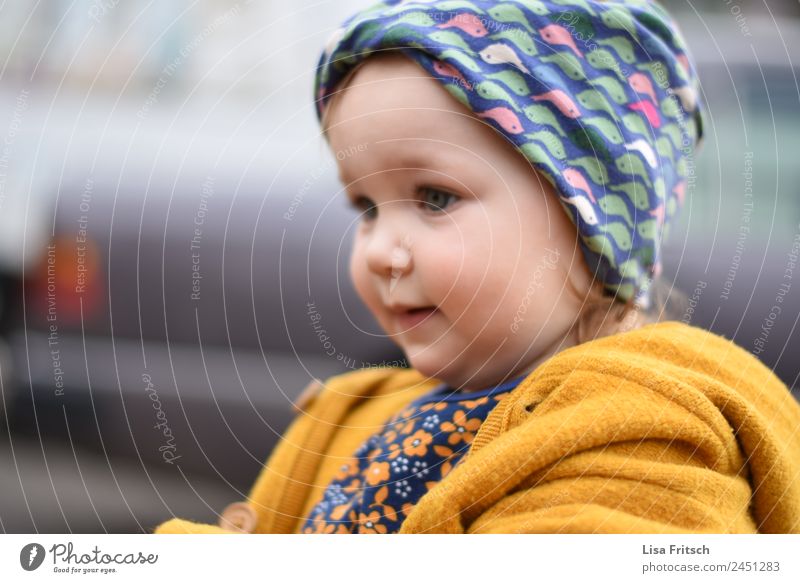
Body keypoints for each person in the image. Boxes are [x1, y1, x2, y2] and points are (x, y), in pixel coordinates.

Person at [155, 0, 800, 534]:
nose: (380, 248)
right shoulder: (368, 415)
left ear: (585, 222)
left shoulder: (646, 445)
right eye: (366, 206)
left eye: (435, 197)